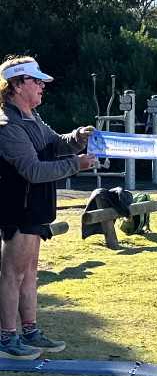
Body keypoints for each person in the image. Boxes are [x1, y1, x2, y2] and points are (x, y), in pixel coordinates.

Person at [0, 56, 96, 360]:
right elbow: (33, 170)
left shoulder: (32, 117)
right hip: (18, 210)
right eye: (36, 80)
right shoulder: (7, 125)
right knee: (11, 274)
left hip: (36, 209)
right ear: (16, 85)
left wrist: (78, 138)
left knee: (29, 272)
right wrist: (75, 164)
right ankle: (6, 338)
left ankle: (30, 331)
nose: (43, 86)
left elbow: (55, 144)